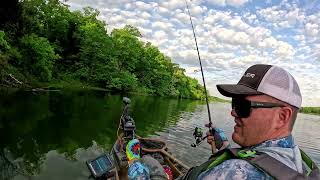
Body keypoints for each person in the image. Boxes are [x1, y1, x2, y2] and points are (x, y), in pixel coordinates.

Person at [183, 64, 319, 179]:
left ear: (282, 116)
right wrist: (223, 145)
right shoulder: (300, 161)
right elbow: (260, 159)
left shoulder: (235, 172)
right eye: (234, 103)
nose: (233, 112)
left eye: (243, 106)